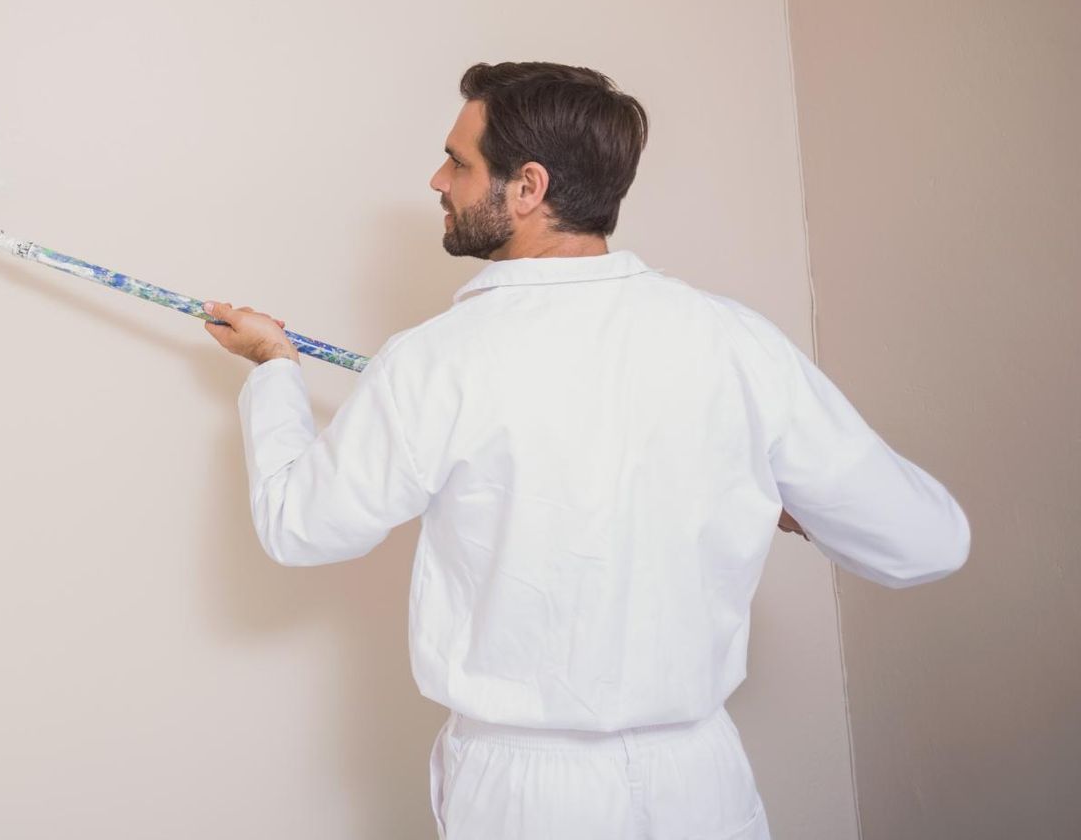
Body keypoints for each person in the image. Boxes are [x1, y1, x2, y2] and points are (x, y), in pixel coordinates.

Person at [203, 61, 968, 840]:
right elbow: (927, 542)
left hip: (526, 802)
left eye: (459, 161)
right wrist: (807, 507)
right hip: (702, 786)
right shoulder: (736, 344)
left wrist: (274, 371)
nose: (438, 179)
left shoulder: (436, 360)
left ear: (528, 186)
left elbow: (301, 526)